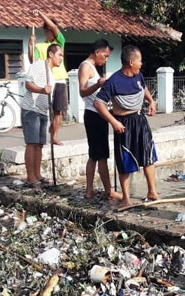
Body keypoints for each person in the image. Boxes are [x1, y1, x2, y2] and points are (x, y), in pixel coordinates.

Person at [93, 45, 158, 209]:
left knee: (148, 156)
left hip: (140, 120)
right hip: (123, 124)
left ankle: (152, 192)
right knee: (125, 162)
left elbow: (143, 88)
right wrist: (113, 122)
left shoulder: (138, 76)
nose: (141, 64)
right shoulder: (114, 82)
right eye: (140, 61)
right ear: (131, 62)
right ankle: (126, 198)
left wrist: (151, 101)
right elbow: (98, 103)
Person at [78, 39, 122, 201]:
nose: (106, 59)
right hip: (93, 114)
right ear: (97, 52)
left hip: (99, 114)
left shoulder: (94, 69)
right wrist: (98, 84)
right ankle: (104, 191)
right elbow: (82, 92)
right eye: (105, 55)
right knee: (99, 155)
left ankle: (96, 190)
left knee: (98, 155)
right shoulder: (85, 66)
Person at [20, 44, 63, 187]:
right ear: (51, 54)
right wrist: (41, 90)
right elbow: (28, 84)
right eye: (60, 55)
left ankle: (37, 174)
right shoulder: (38, 65)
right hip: (31, 109)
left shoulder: (51, 73)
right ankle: (30, 176)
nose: (61, 58)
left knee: (39, 144)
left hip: (43, 111)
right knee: (31, 143)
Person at [29, 10, 68, 145]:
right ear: (45, 31)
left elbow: (55, 28)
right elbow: (33, 61)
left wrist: (40, 14)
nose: (51, 31)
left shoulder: (59, 44)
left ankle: (54, 136)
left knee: (59, 110)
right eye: (48, 30)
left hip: (60, 80)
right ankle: (42, 135)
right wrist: (30, 45)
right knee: (46, 110)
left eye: (51, 29)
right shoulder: (39, 46)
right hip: (46, 81)